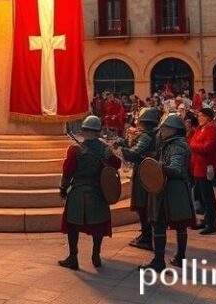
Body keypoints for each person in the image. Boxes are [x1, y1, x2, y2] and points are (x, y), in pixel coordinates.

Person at [58, 115, 122, 270]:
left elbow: (68, 172)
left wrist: (63, 188)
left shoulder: (75, 149)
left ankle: (73, 257)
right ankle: (96, 255)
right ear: (98, 131)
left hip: (78, 192)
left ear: (84, 131)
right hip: (97, 192)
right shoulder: (105, 149)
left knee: (72, 225)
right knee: (98, 226)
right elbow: (117, 164)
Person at [141, 114, 196, 272]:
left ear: (173, 130)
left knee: (161, 224)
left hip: (171, 189)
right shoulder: (171, 143)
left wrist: (157, 167)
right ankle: (177, 258)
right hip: (174, 188)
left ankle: (161, 261)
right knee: (179, 226)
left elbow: (176, 169)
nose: (162, 131)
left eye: (164, 128)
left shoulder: (176, 146)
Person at [115, 107, 159, 251]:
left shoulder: (146, 136)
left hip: (142, 171)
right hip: (148, 170)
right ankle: (145, 234)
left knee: (142, 204)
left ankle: (146, 236)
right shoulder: (154, 134)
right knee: (144, 205)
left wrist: (122, 150)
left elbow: (134, 153)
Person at [189, 108, 216, 235]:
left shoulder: (213, 130)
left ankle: (211, 224)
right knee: (201, 195)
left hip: (206, 167)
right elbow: (193, 141)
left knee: (208, 197)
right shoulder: (200, 129)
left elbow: (206, 148)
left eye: (201, 116)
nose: (199, 118)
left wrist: (193, 146)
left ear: (208, 117)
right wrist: (195, 145)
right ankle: (206, 220)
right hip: (197, 166)